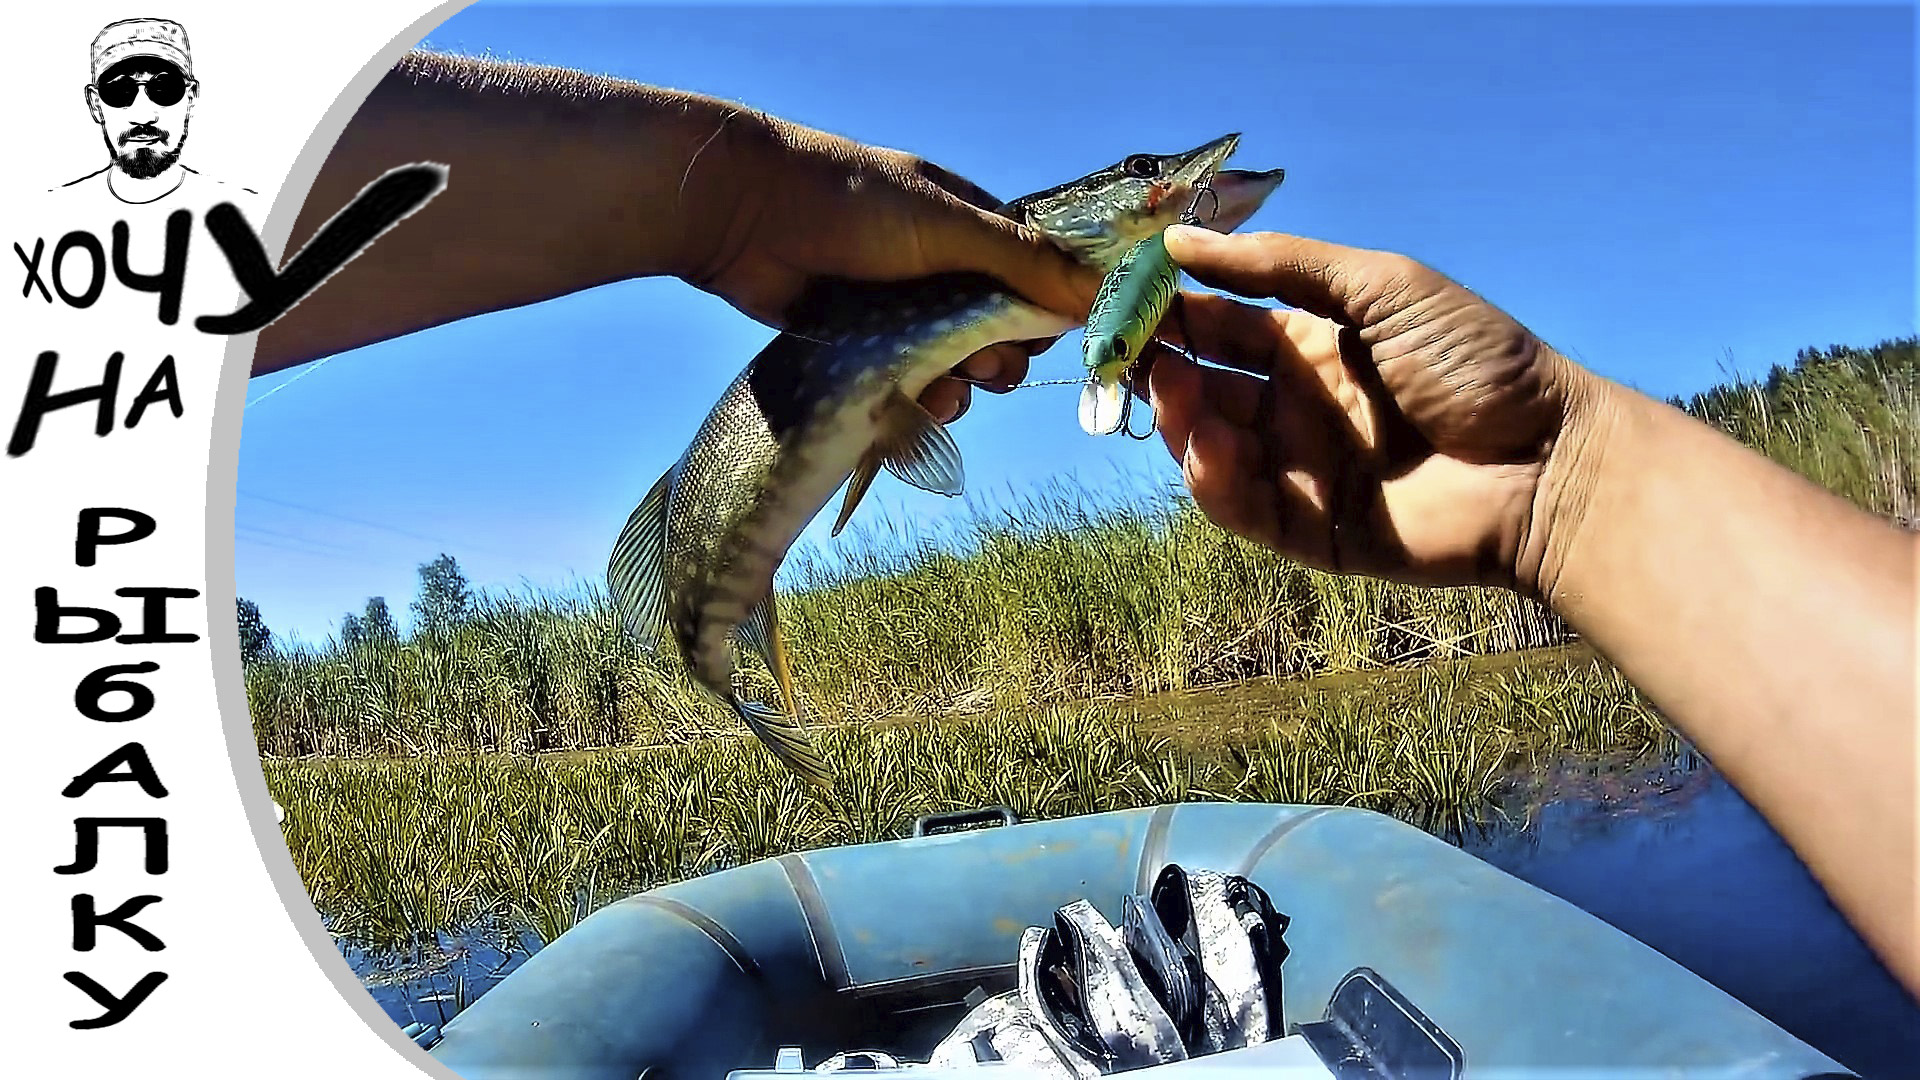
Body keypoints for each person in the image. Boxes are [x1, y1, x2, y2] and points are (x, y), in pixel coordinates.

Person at [254, 51, 1917, 998]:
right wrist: (1560, 488)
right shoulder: (1036, 248)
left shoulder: (1091, 267)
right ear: (1090, 216)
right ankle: (714, 622)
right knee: (756, 547)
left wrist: (1556, 483)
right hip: (734, 519)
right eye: (1148, 180)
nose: (1179, 188)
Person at [56, 17, 258, 208]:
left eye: (164, 89)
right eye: (120, 91)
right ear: (94, 103)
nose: (143, 116)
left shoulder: (249, 211)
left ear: (191, 97)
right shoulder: (53, 211)